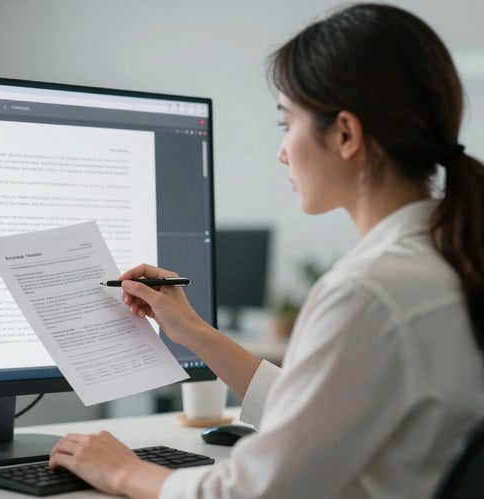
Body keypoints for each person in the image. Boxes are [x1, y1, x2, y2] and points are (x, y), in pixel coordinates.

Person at [48, 3, 484, 498]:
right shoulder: (445, 259)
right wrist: (192, 332)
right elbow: (322, 412)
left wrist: (125, 472)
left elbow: (255, 492)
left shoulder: (370, 291)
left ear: (345, 133)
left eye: (286, 124)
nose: (282, 151)